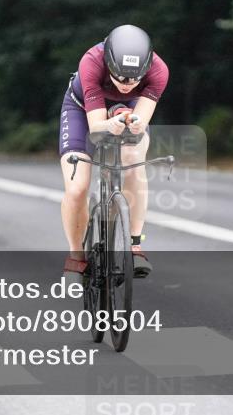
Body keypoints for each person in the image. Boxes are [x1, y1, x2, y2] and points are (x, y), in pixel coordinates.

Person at [59, 25, 169, 281]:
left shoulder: (159, 70)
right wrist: (109, 124)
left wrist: (137, 124)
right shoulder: (91, 62)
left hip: (129, 110)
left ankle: (134, 245)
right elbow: (97, 127)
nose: (126, 85)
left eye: (134, 80)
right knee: (77, 187)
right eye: (119, 78)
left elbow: (141, 119)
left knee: (133, 160)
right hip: (81, 109)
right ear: (108, 62)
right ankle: (76, 259)